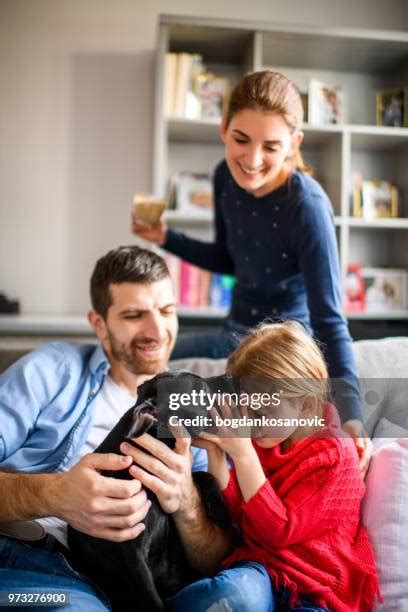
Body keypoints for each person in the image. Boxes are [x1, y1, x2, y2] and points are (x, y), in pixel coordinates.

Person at [132, 69, 371, 473]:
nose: (252, 160)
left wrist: (353, 416)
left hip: (281, 350)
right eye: (241, 140)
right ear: (224, 127)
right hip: (235, 333)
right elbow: (228, 260)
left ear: (294, 144)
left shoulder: (307, 208)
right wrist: (166, 237)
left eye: (271, 146)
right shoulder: (225, 177)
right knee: (147, 358)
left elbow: (330, 320)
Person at [0, 246, 233, 611]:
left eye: (167, 311)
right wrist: (53, 495)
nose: (156, 330)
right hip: (30, 561)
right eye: (134, 314)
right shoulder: (51, 371)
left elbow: (214, 559)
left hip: (130, 579)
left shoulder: (191, 410)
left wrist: (186, 502)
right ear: (99, 324)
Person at [165, 321, 380, 612]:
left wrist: (242, 454)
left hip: (316, 591)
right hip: (262, 572)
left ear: (305, 406)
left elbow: (278, 530)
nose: (251, 423)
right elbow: (237, 512)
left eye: (261, 413)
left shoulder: (335, 455)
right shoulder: (267, 438)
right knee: (230, 592)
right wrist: (218, 455)